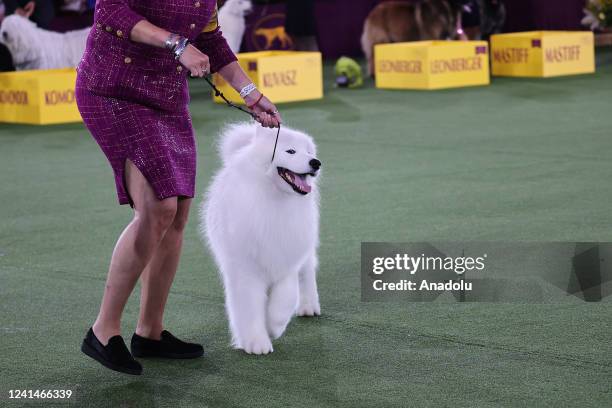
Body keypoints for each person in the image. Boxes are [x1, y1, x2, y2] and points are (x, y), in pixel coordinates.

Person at [76, 0, 281, 375]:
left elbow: (212, 38)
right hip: (112, 89)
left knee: (177, 212)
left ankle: (150, 332)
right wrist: (176, 44)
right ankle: (103, 330)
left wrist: (250, 93)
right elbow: (109, 11)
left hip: (165, 97)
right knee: (157, 207)